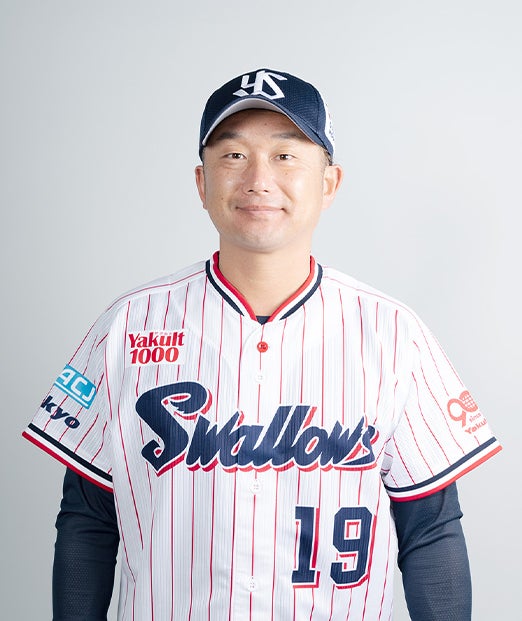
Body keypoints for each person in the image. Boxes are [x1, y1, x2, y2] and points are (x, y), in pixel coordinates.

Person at [24, 68, 501, 621]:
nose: (258, 179)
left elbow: (431, 530)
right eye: (233, 155)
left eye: (285, 155)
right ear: (201, 183)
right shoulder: (128, 324)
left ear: (328, 183)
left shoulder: (393, 332)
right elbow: (88, 520)